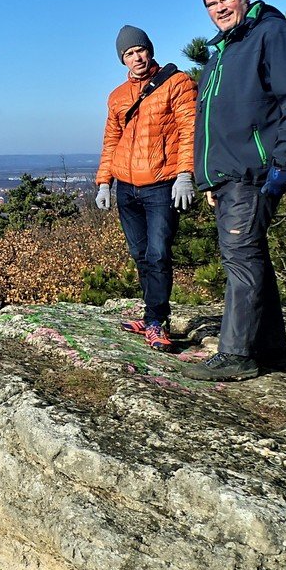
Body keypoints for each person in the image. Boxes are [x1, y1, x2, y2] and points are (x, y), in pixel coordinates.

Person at [182, 0, 286, 381]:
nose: (219, 9)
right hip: (231, 173)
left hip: (256, 170)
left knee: (241, 256)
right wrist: (210, 177)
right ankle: (270, 351)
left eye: (226, 0)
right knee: (251, 257)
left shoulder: (273, 35)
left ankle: (236, 354)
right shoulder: (223, 51)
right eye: (211, 5)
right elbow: (212, 120)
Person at [95, 25, 197, 350]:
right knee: (140, 255)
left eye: (140, 50)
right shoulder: (117, 96)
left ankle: (157, 322)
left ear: (149, 50)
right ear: (122, 59)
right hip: (126, 187)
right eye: (129, 53)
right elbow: (112, 140)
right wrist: (103, 182)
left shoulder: (176, 83)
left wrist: (185, 174)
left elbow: (190, 129)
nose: (136, 57)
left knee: (157, 254)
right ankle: (150, 313)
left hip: (161, 185)